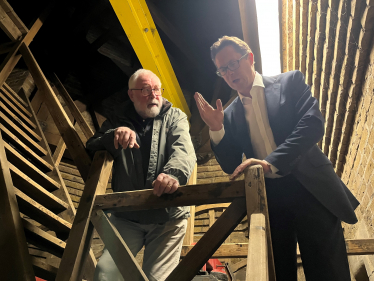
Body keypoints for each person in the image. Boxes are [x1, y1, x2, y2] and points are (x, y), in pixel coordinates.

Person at [194, 36, 359, 281]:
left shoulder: (289, 81)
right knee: (278, 273)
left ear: (249, 59)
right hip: (270, 199)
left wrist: (270, 162)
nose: (228, 73)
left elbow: (312, 124)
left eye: (232, 64)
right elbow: (230, 165)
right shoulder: (228, 115)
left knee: (328, 270)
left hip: (310, 187)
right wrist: (217, 130)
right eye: (221, 70)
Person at [87, 69, 196, 281]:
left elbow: (184, 150)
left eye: (157, 89)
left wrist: (172, 174)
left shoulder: (175, 117)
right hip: (127, 216)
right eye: (146, 90)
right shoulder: (117, 119)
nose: (154, 95)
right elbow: (91, 147)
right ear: (132, 95)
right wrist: (113, 136)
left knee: (157, 279)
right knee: (105, 275)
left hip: (168, 218)